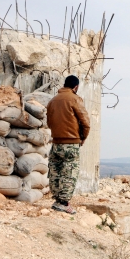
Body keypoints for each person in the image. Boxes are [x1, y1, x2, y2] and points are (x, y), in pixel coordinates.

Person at [46, 75, 91, 214]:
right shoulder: (75, 99)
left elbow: (49, 122)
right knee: (70, 173)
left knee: (55, 171)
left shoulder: (53, 100)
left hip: (56, 143)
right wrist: (83, 137)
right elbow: (86, 122)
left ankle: (57, 201)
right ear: (75, 87)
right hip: (71, 143)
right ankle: (64, 203)